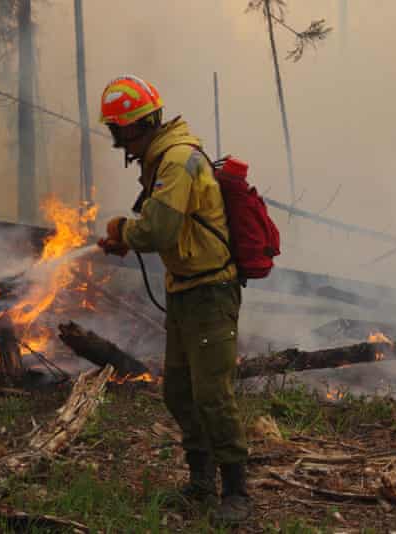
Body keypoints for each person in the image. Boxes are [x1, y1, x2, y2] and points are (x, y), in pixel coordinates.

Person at [96, 75, 251, 523]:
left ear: (133, 127)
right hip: (185, 291)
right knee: (179, 393)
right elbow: (168, 227)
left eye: (117, 129)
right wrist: (129, 237)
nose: (116, 139)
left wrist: (123, 231)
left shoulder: (177, 161)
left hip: (210, 292)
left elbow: (158, 230)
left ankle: (237, 493)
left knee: (212, 394)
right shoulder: (163, 159)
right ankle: (202, 482)